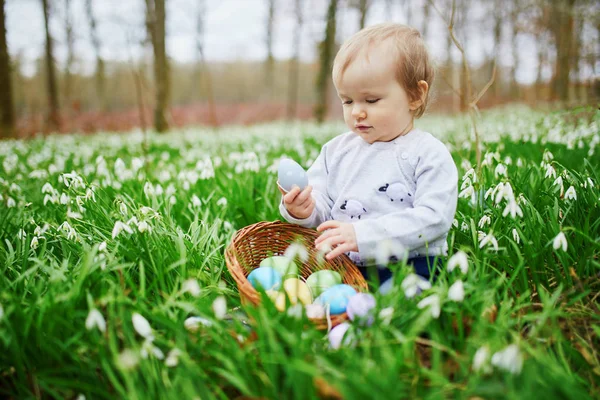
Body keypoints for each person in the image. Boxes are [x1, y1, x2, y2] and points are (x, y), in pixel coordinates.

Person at [279, 23, 458, 285]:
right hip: (344, 266)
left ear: (415, 96)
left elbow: (434, 219)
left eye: (371, 100)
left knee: (399, 304)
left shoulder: (428, 154)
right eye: (347, 101)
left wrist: (362, 235)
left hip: (411, 266)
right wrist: (303, 210)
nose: (356, 112)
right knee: (314, 295)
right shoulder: (336, 151)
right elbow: (323, 211)